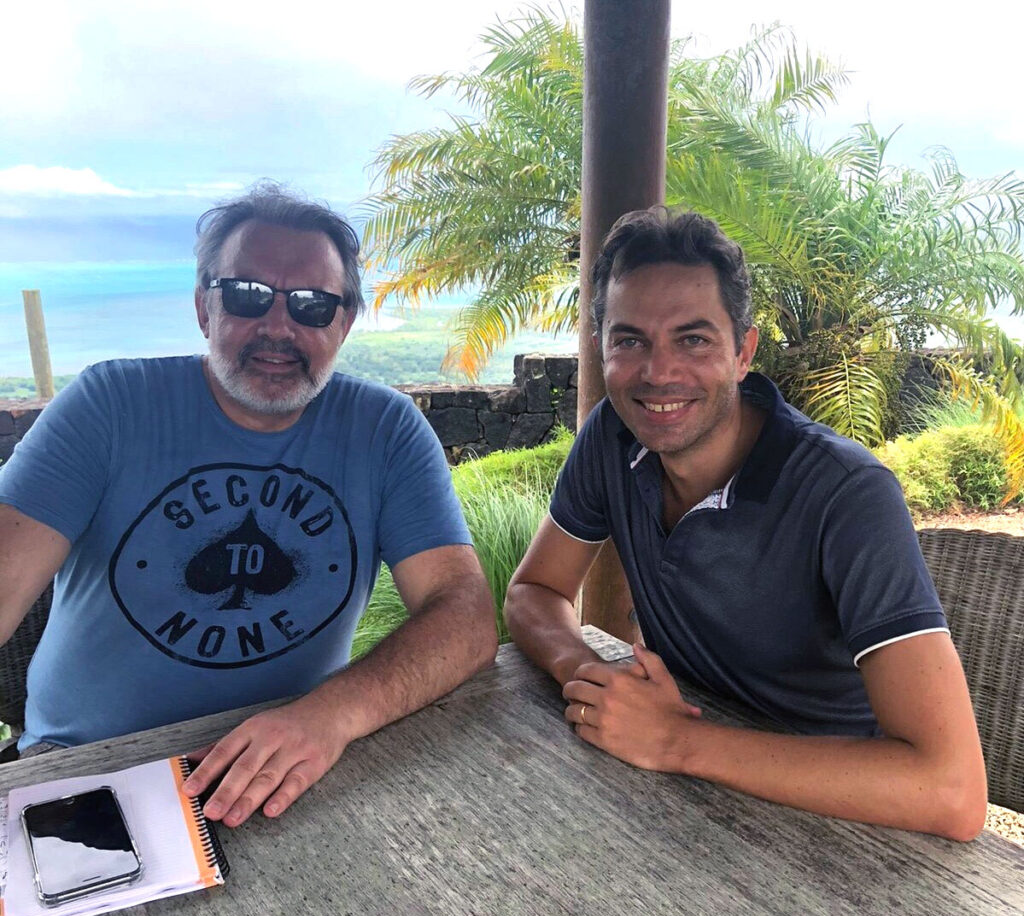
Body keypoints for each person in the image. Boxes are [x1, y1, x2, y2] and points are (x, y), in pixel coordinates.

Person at [0, 183, 497, 826]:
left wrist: (330, 714)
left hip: (282, 767)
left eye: (314, 305)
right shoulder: (112, 407)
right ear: (205, 308)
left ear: (343, 323)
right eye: (247, 295)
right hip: (91, 764)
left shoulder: (384, 431)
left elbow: (465, 617)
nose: (278, 327)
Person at [505, 206, 987, 841]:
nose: (658, 372)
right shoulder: (613, 439)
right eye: (630, 340)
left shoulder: (845, 495)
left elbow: (952, 791)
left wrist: (678, 740)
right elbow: (533, 592)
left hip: (850, 827)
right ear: (601, 349)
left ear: (743, 353)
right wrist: (588, 677)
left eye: (694, 339)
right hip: (682, 803)